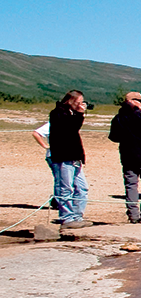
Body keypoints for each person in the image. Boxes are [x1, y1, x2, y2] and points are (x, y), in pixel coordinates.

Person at [109, 91, 141, 223]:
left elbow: (113, 137)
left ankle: (133, 215)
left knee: (131, 185)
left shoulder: (118, 118)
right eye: (139, 100)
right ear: (131, 101)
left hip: (127, 155)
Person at [40, 90, 89, 226]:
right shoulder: (58, 113)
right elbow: (70, 129)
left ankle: (77, 216)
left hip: (75, 156)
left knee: (82, 188)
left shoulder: (70, 114)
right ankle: (66, 217)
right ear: (71, 100)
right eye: (79, 102)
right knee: (65, 188)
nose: (81, 105)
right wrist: (79, 114)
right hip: (64, 156)